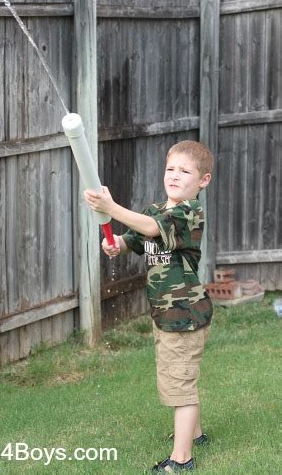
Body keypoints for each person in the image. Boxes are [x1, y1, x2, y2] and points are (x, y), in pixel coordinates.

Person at [84, 140, 214, 473]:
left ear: (204, 180)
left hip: (184, 315)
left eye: (185, 171)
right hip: (165, 314)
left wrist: (111, 206)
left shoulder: (189, 212)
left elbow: (154, 229)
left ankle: (181, 460)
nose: (175, 175)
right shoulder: (157, 209)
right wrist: (115, 245)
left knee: (180, 385)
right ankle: (194, 435)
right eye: (171, 168)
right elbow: (138, 237)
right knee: (179, 376)